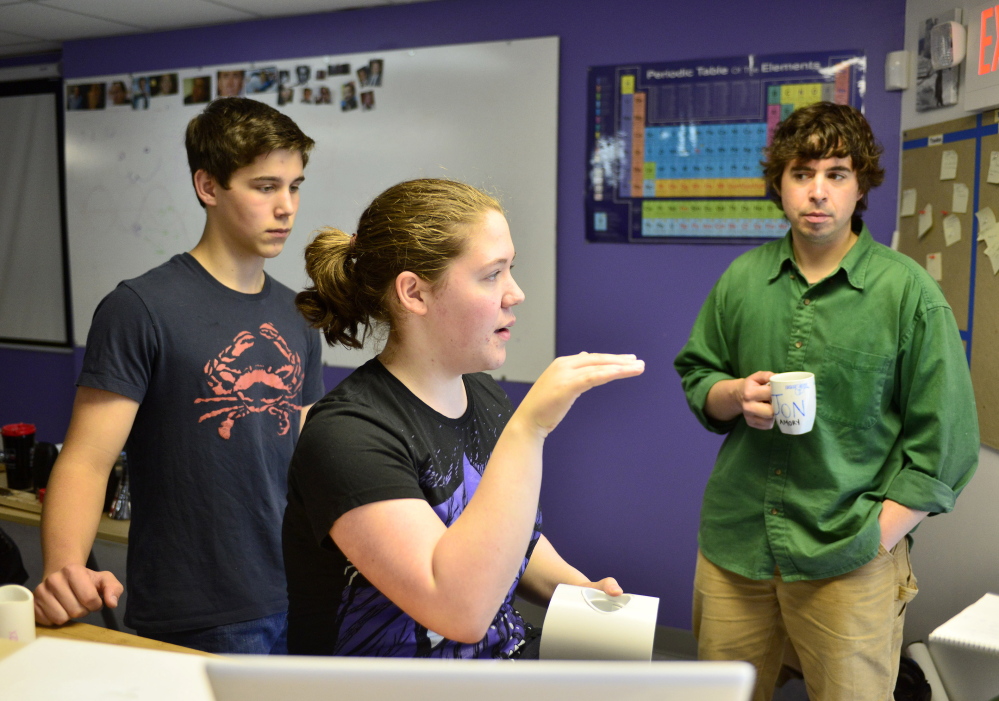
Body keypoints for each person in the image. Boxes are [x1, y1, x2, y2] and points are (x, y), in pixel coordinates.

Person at [674, 102, 979, 700]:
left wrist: (875, 542)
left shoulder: (906, 293)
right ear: (779, 185)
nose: (818, 192)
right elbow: (697, 374)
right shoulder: (742, 279)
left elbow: (944, 449)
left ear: (859, 184)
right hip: (736, 551)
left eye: (836, 174)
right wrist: (733, 395)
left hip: (852, 556)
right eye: (801, 174)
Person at [283, 178, 644, 658]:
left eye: (510, 270)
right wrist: (529, 428)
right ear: (414, 292)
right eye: (492, 274)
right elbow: (459, 612)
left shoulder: (482, 394)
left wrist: (578, 590)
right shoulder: (347, 436)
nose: (515, 293)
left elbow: (506, 535)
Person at [34, 98, 325, 655]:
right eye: (265, 187)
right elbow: (86, 460)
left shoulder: (299, 315)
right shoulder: (140, 307)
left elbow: (309, 456)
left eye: (294, 186)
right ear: (208, 186)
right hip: (198, 607)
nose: (286, 207)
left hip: (298, 589)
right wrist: (64, 569)